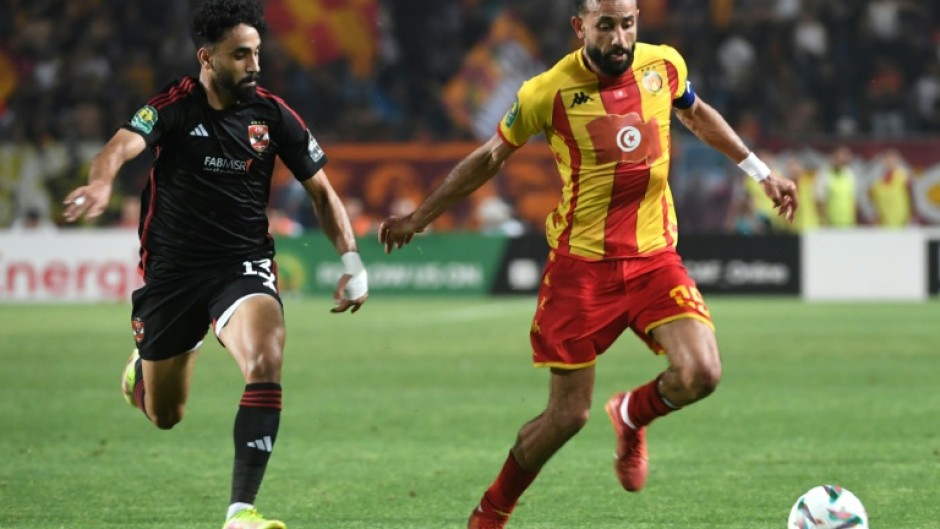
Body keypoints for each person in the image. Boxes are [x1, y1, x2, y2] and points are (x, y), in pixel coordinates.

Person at [378, 1, 797, 528]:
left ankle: (631, 414)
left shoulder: (664, 65)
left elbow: (694, 112)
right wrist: (419, 217)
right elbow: (488, 157)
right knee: (567, 416)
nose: (620, 37)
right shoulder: (546, 92)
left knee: (702, 373)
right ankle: (493, 508)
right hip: (582, 272)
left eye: (628, 23)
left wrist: (762, 173)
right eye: (606, 26)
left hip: (653, 261)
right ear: (580, 27)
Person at [61, 2, 368, 528]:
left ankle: (240, 512)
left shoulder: (273, 115)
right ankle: (142, 372)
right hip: (174, 273)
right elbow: (120, 145)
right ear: (207, 57)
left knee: (265, 362)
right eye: (240, 55)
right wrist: (99, 182)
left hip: (241, 264)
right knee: (165, 415)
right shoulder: (173, 106)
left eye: (257, 53)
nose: (254, 65)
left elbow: (321, 192)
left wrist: (353, 261)